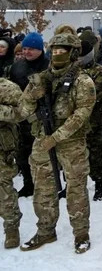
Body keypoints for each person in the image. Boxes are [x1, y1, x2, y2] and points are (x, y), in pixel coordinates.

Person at [16, 32, 96, 253]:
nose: (58, 54)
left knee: (76, 190)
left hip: (71, 143)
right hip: (43, 141)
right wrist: (33, 96)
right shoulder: (40, 79)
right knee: (43, 189)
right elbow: (21, 111)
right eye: (55, 51)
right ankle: (45, 231)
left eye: (63, 51)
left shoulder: (83, 81)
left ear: (73, 54)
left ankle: (81, 234)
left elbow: (82, 114)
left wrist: (56, 137)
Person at [9, 32, 49, 197]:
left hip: (44, 119)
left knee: (45, 155)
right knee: (23, 153)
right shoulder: (17, 67)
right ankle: (28, 184)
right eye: (25, 48)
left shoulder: (49, 66)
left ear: (40, 49)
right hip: (23, 119)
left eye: (31, 49)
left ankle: (47, 186)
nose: (27, 52)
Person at [78, 30, 102, 201]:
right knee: (73, 154)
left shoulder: (99, 70)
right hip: (72, 120)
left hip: (93, 120)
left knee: (95, 152)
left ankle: (100, 183)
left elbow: (94, 93)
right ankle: (72, 184)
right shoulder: (70, 70)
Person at [0, 77, 23, 249]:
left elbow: (23, 111)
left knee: (3, 189)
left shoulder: (6, 87)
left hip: (1, 146)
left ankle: (11, 227)